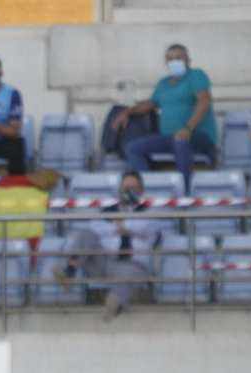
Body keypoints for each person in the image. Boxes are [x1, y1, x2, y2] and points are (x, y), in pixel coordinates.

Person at [54, 171, 161, 322]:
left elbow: (144, 228)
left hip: (131, 263)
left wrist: (117, 225)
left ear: (141, 191)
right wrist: (123, 229)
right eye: (125, 188)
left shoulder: (149, 212)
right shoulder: (108, 211)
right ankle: (69, 272)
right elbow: (95, 227)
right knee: (86, 234)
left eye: (133, 188)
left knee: (128, 275)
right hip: (104, 262)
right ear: (119, 191)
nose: (128, 192)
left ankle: (114, 306)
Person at [114, 43, 217, 191]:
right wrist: (128, 112)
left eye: (178, 58)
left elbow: (204, 101)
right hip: (170, 138)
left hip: (199, 137)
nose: (174, 62)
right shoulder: (163, 83)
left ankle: (185, 192)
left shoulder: (196, 75)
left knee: (180, 141)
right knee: (133, 148)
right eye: (170, 59)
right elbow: (150, 104)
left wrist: (188, 127)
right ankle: (148, 190)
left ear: (188, 60)